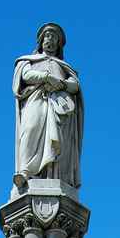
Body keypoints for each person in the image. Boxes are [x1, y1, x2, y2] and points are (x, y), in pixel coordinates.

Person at [12, 23, 83, 190]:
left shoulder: (64, 67)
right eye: (47, 36)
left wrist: (63, 84)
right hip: (37, 99)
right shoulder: (29, 61)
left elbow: (75, 85)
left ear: (58, 44)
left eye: (54, 38)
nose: (50, 40)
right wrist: (46, 77)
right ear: (41, 40)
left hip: (59, 105)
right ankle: (25, 171)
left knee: (58, 140)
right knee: (30, 129)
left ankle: (55, 175)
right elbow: (25, 75)